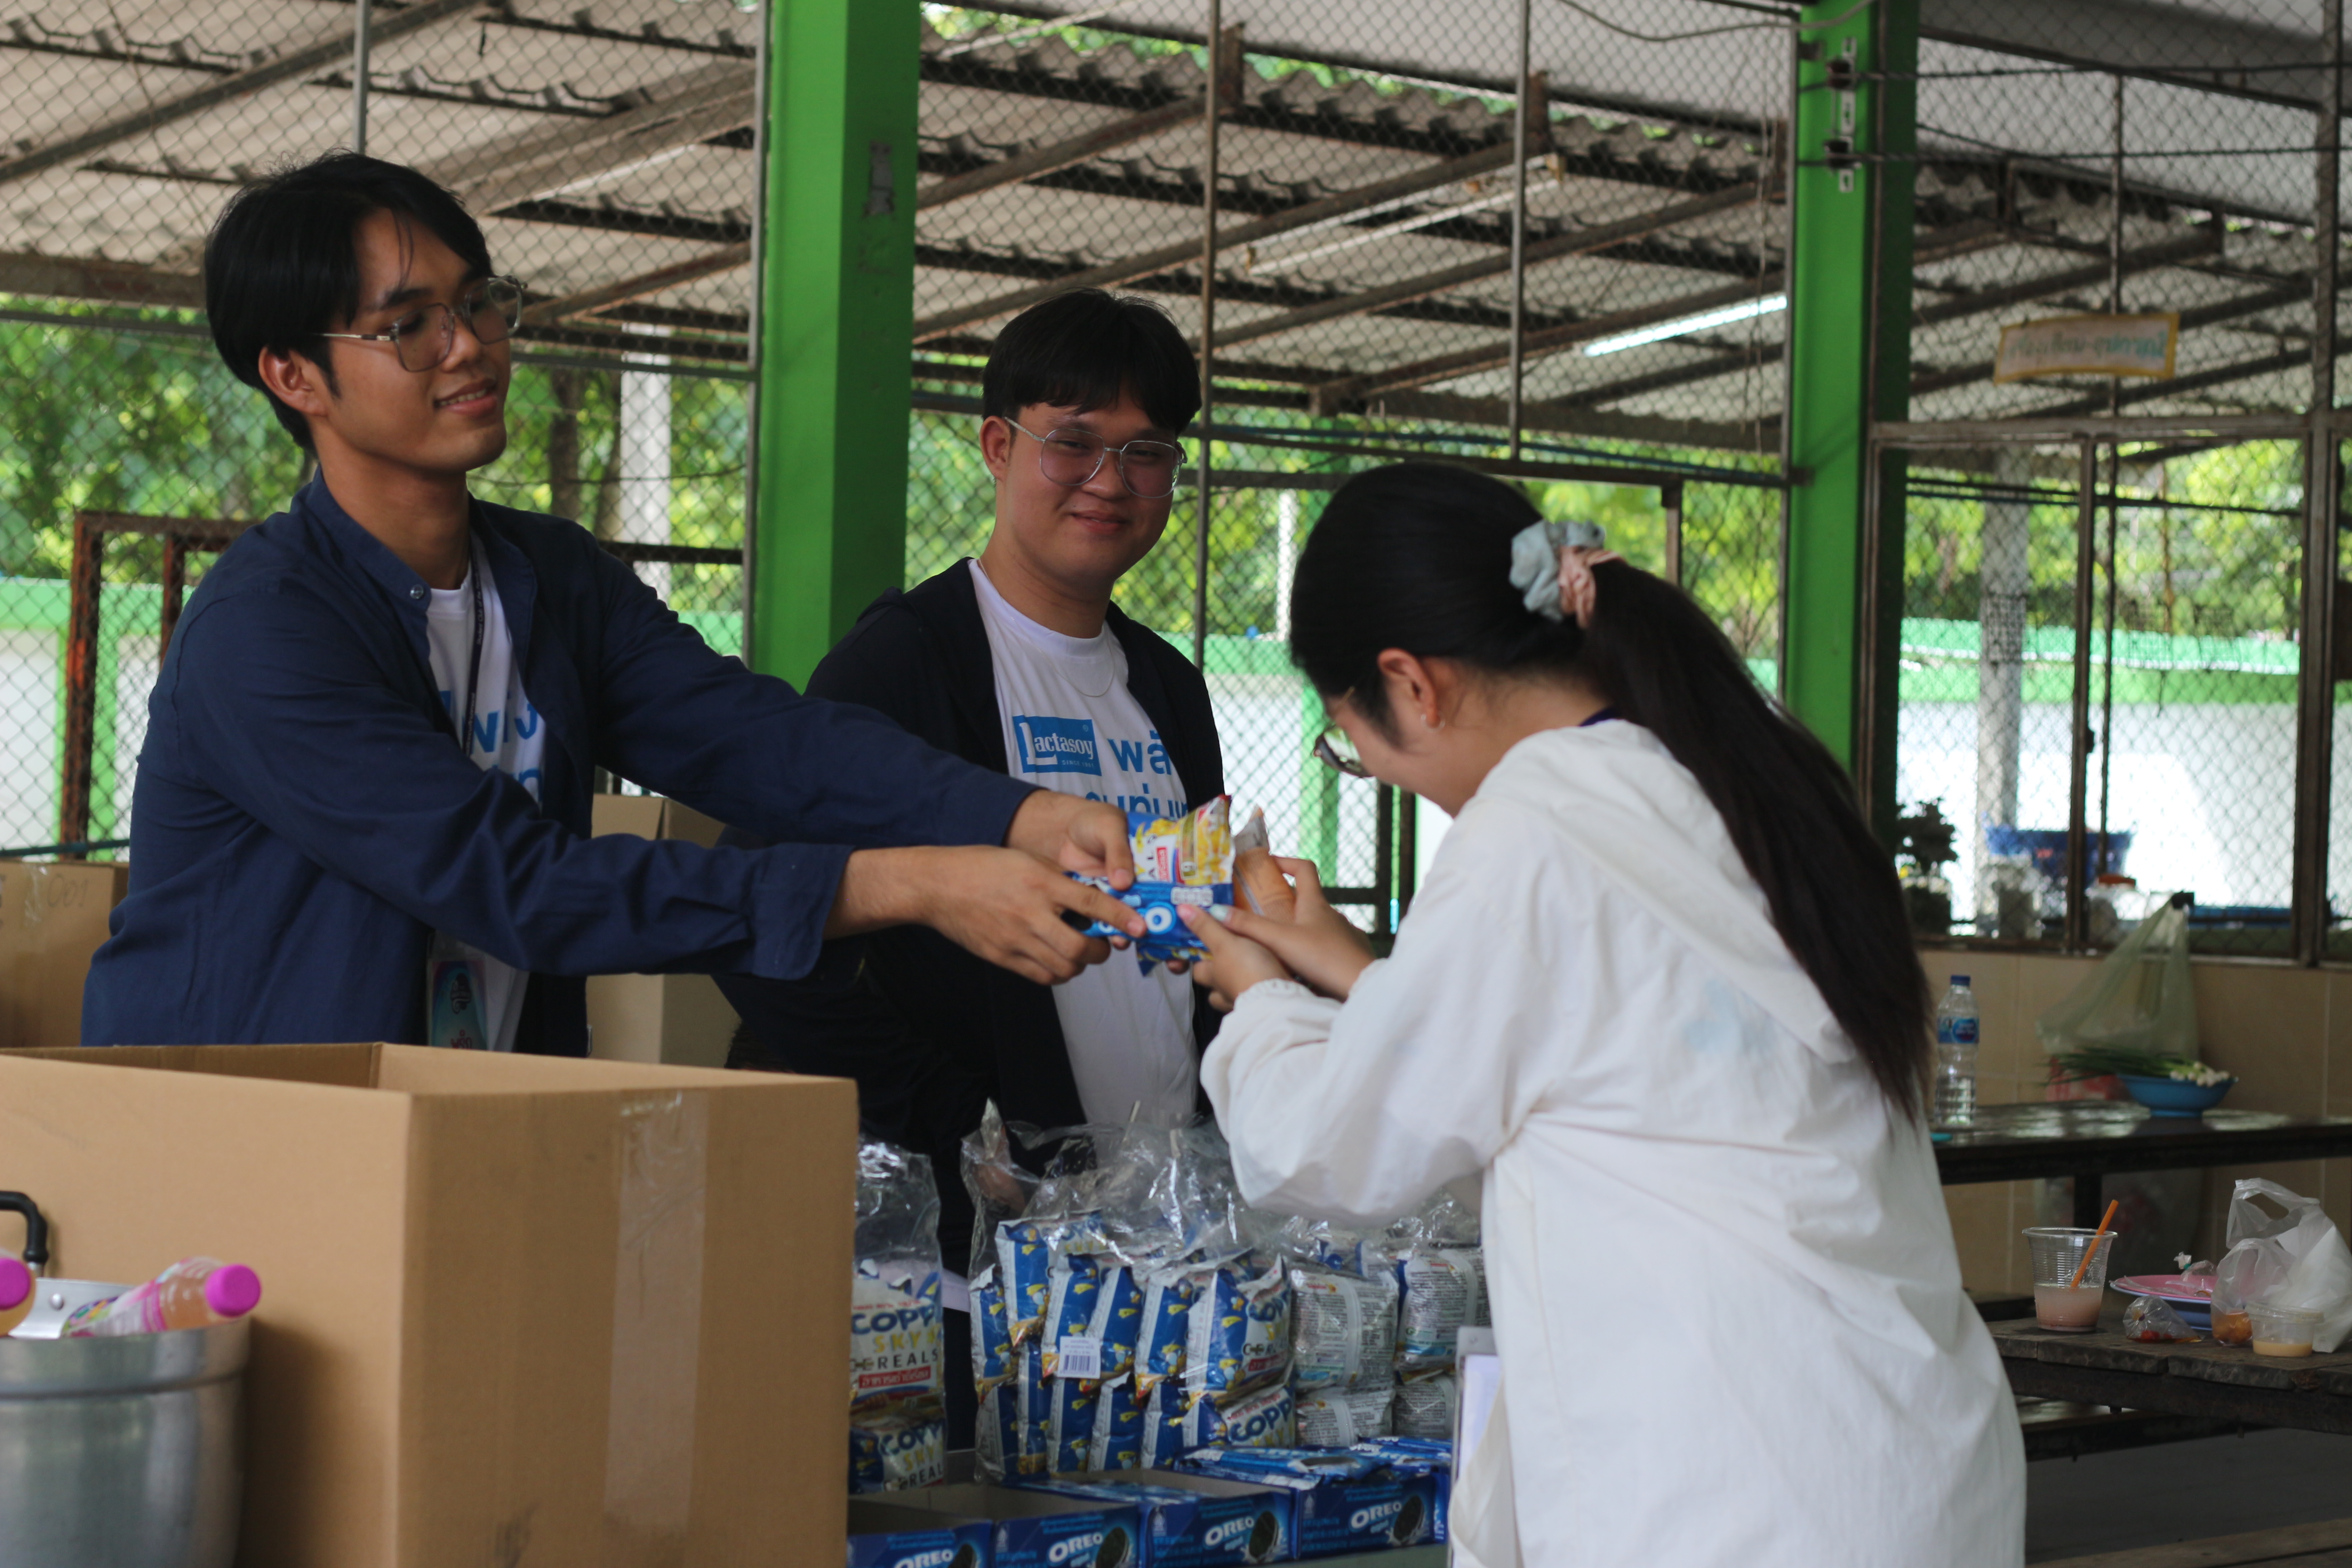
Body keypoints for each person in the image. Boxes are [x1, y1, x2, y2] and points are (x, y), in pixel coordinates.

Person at [83, 153, 1150, 1052]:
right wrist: (911, 884)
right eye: (408, 326)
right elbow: (518, 885)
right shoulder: (266, 628)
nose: (469, 345)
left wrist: (1019, 816)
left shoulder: (550, 577)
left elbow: (755, 740)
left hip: (466, 1125)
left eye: (475, 302)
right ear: (294, 376)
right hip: (256, 1154)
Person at [1178, 464, 2026, 1567]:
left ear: (1412, 684)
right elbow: (1608, 1068)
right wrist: (1350, 967)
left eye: (1353, 745)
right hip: (1903, 1463)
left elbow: (1333, 1148)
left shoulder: (1533, 828)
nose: (1376, 769)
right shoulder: (1734, 778)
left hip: (1733, 1494)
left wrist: (1258, 1002)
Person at [715, 289, 1223, 1439]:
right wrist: (955, 1124)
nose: (1110, 481)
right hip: (970, 1273)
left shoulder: (1169, 686)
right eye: (1074, 443)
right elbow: (755, 928)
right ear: (999, 446)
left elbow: (1183, 931)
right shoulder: (909, 663)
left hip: (1153, 1250)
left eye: (1147, 452)